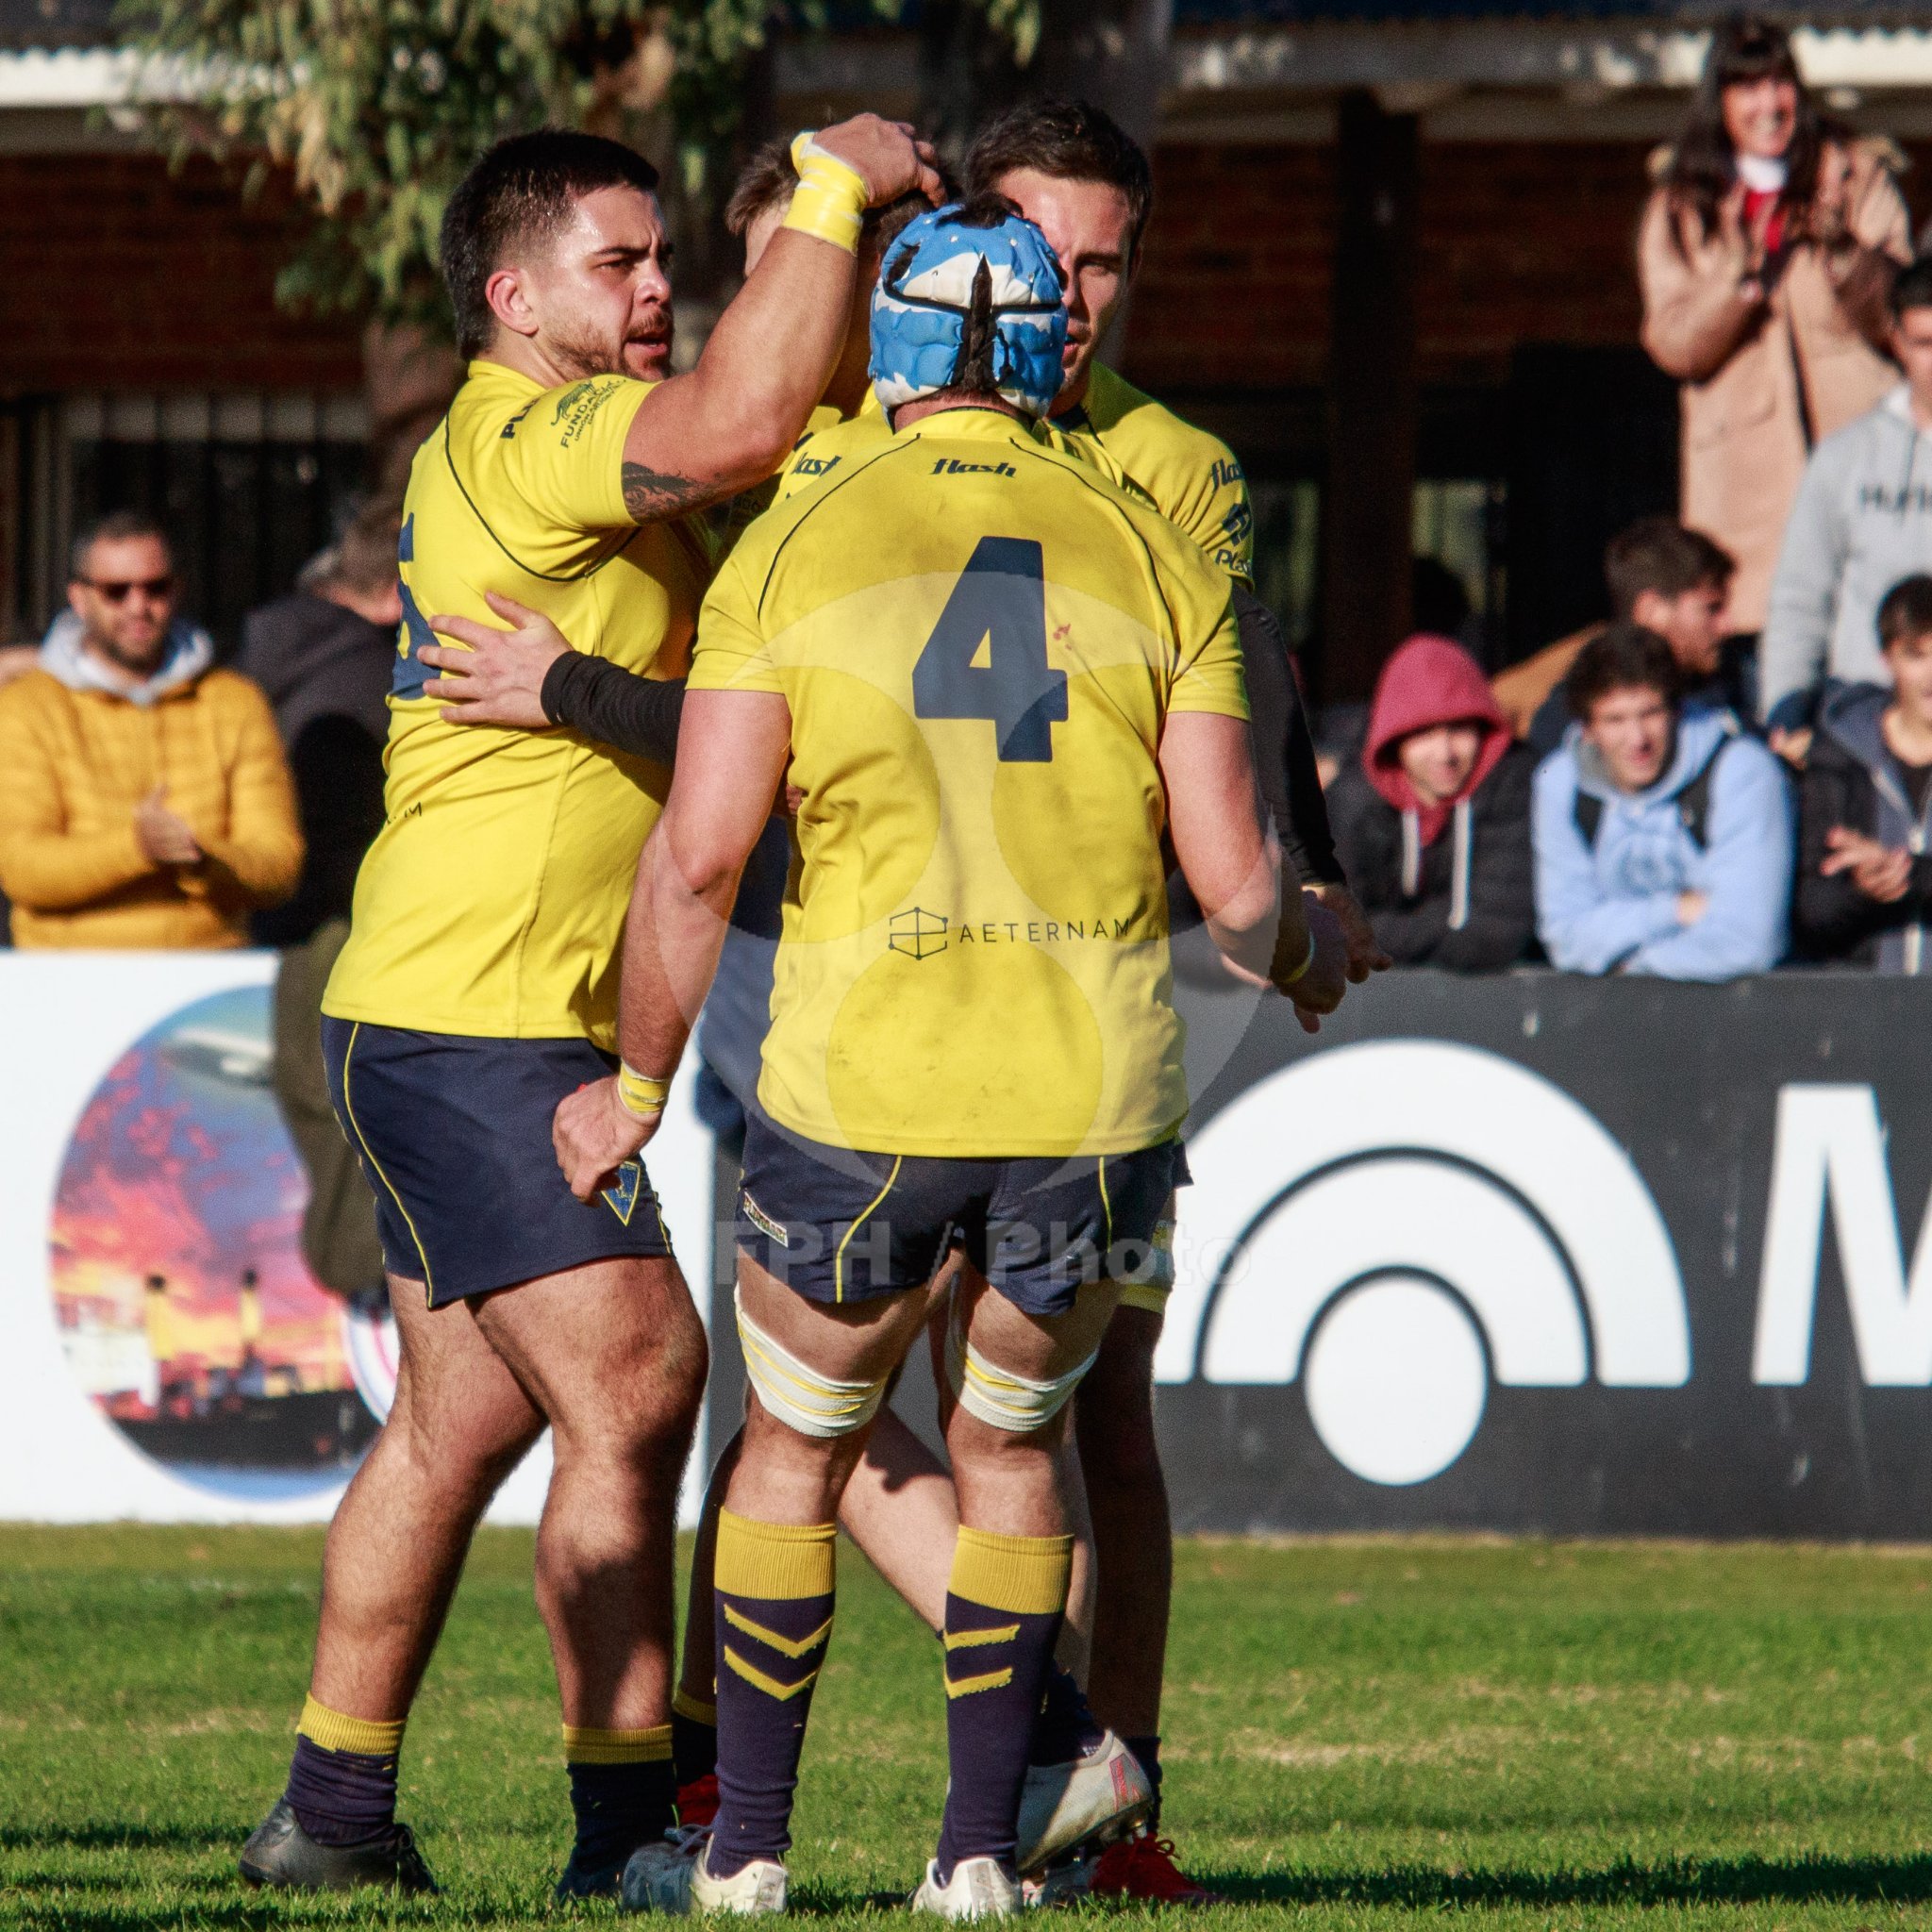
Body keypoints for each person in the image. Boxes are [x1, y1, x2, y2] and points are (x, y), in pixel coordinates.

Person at [549, 194, 1346, 1920]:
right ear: (1043, 342)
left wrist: (627, 1086)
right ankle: (973, 1855)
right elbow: (1229, 889)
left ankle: (745, 1850)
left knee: (794, 1452)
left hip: (864, 1086)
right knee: (1005, 1451)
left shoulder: (794, 530)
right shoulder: (1152, 535)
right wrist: (1308, 946)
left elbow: (695, 854)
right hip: (1086, 1099)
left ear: (892, 353)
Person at [238, 117, 941, 1900]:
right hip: (465, 1014)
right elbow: (737, 416)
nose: (654, 289)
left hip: (458, 1005)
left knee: (456, 1421)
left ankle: (328, 1817)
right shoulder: (528, 433)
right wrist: (836, 189)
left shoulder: (577, 465)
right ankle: (630, 1834)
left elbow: (716, 707)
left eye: (661, 259)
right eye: (617, 264)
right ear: (511, 294)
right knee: (640, 1369)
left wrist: (577, 688)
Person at [1639, 13, 1910, 638]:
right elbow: (1674, 346)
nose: (1768, 104)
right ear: (1721, 101)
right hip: (1744, 502)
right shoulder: (1682, 205)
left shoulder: (1855, 178)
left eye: (1779, 83)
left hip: (1859, 474)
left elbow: (1905, 317)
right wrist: (1734, 279)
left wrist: (1843, 252)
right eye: (1746, 88)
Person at [0, 511, 302, 948]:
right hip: (65, 977)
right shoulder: (27, 706)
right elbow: (21, 867)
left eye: (154, 588)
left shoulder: (235, 701)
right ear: (79, 598)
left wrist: (202, 860)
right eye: (116, 591)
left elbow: (278, 866)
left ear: (176, 589)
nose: (138, 606)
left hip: (208, 979)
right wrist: (137, 847)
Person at [1534, 624, 1793, 980]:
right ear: (1587, 729)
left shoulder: (1741, 771)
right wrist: (1675, 911)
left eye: (1650, 713)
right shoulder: (1561, 782)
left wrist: (1633, 964)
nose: (1637, 739)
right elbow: (1565, 937)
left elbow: (1748, 941)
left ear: (1677, 710)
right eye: (1615, 720)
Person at [1760, 259, 1932, 738]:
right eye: (1924, 344)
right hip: (1862, 708)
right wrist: (1787, 701)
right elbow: (1801, 592)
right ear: (1897, 342)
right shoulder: (1844, 456)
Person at [240, 498, 404, 946]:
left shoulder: (246, 649)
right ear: (396, 594)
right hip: (344, 926)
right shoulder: (387, 682)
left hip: (243, 920)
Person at [1328, 634, 1536, 972]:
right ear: (1393, 739)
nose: (1445, 754)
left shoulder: (1514, 784)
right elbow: (1330, 927)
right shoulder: (1352, 800)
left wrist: (1375, 933)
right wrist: (1449, 924)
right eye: (1423, 733)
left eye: (1459, 729)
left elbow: (1496, 934)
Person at [1505, 520, 1744, 758]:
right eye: (1711, 609)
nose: (1727, 626)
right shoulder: (1569, 713)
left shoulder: (1729, 683)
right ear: (1651, 612)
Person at [1794, 574, 1932, 971]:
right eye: (1915, 656)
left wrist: (1905, 873)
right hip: (1864, 1010)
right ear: (1886, 660)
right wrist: (1863, 890)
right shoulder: (1841, 756)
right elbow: (1813, 911)